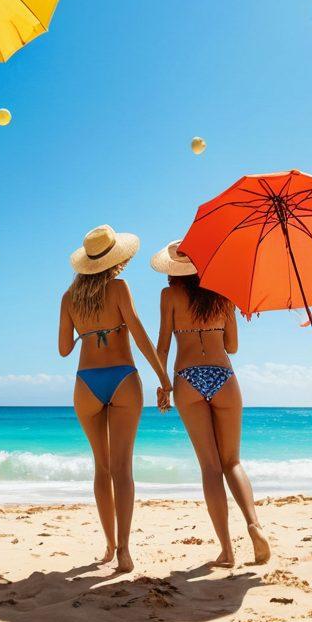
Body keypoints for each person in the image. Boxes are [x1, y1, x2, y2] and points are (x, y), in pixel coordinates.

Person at [59, 225, 172, 573]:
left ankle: (108, 545)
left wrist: (89, 331)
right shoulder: (120, 288)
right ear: (115, 260)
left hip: (86, 382)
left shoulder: (69, 298)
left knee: (102, 468)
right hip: (123, 377)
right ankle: (124, 550)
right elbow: (138, 335)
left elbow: (64, 349)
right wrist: (164, 379)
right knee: (123, 469)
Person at [153, 241, 270, 568]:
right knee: (232, 461)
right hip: (224, 377)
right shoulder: (223, 295)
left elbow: (162, 346)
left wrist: (163, 385)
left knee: (210, 467)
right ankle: (255, 526)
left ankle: (227, 551)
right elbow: (231, 346)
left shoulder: (169, 296)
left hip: (188, 378)